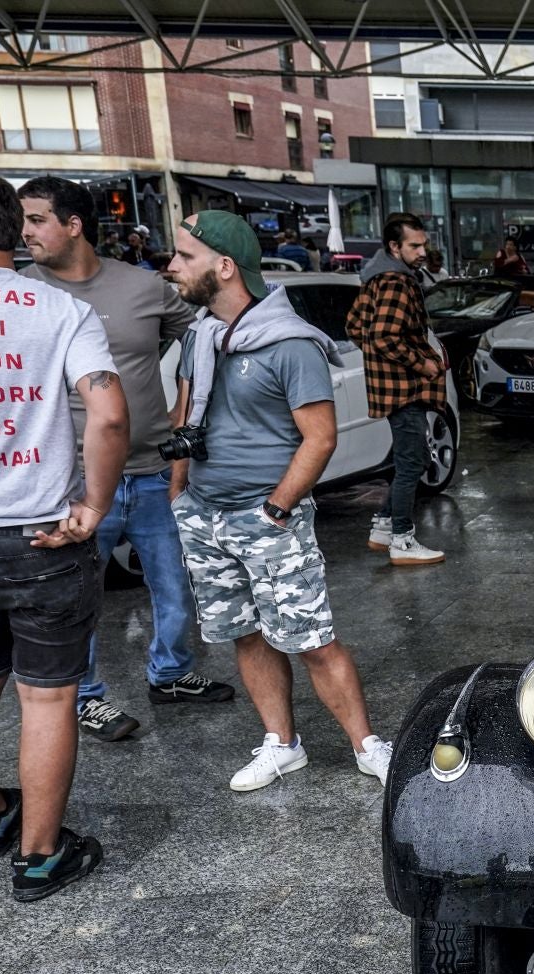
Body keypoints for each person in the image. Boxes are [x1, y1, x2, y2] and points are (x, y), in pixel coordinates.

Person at [0, 168, 130, 901]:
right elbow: (106, 414)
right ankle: (39, 857)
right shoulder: (59, 310)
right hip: (42, 536)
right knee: (45, 698)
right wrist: (94, 509)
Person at [161, 210, 393, 792]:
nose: (171, 267)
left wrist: (277, 509)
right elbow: (185, 417)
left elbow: (320, 438)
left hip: (267, 518)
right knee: (245, 633)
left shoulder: (290, 345)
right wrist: (179, 497)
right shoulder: (200, 337)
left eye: (183, 257)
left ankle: (368, 748)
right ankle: (281, 745)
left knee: (312, 638)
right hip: (205, 515)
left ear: (223, 266)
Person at [18, 176, 236, 743]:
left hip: (154, 469)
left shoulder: (144, 287)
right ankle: (85, 697)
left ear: (73, 224)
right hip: (74, 480)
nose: (25, 231)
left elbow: (200, 338)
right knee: (76, 597)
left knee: (175, 585)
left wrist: (188, 414)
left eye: (37, 219)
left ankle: (171, 674)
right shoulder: (23, 292)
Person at [349, 213, 448, 566]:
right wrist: (421, 363)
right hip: (404, 389)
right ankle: (402, 541)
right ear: (394, 247)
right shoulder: (395, 281)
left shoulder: (376, 280)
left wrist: (381, 363)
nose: (423, 252)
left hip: (392, 387)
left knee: (414, 457)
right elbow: (382, 335)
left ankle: (384, 527)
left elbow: (355, 327)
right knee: (410, 464)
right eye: (414, 246)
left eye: (424, 244)